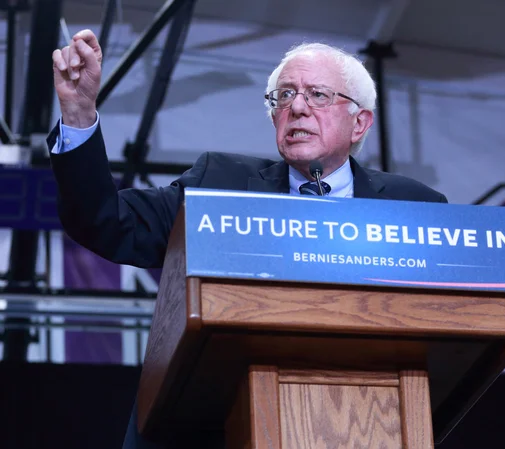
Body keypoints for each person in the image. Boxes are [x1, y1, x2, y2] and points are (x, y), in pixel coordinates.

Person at [49, 29, 447, 449]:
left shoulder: (415, 207)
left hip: (373, 420)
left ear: (360, 121)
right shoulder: (218, 183)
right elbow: (105, 222)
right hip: (213, 425)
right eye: (284, 96)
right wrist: (78, 111)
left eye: (317, 95)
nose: (296, 107)